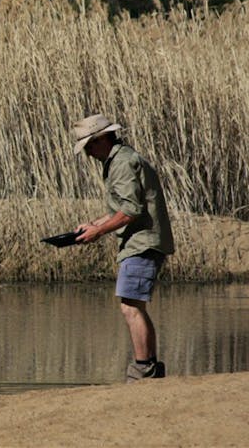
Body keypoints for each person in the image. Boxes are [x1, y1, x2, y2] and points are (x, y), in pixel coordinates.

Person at [72, 113, 175, 383]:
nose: (89, 153)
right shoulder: (121, 159)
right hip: (141, 241)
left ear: (103, 138)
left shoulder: (122, 163)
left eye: (90, 146)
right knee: (134, 305)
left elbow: (130, 210)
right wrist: (92, 224)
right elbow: (123, 209)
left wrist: (99, 231)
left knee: (130, 306)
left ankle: (143, 370)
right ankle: (149, 368)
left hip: (142, 242)